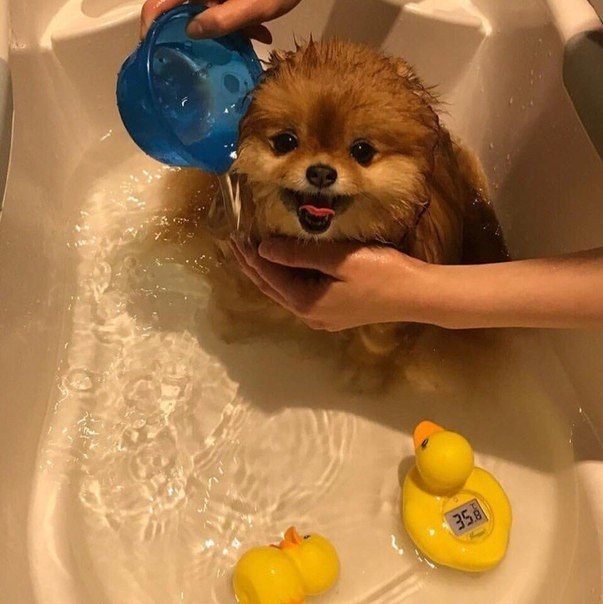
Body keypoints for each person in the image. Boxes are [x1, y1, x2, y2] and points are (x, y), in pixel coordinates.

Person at [141, 0, 603, 332]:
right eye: (286, 143)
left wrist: (419, 296)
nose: (321, 170)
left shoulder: (433, 218)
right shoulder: (237, 194)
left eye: (362, 153)